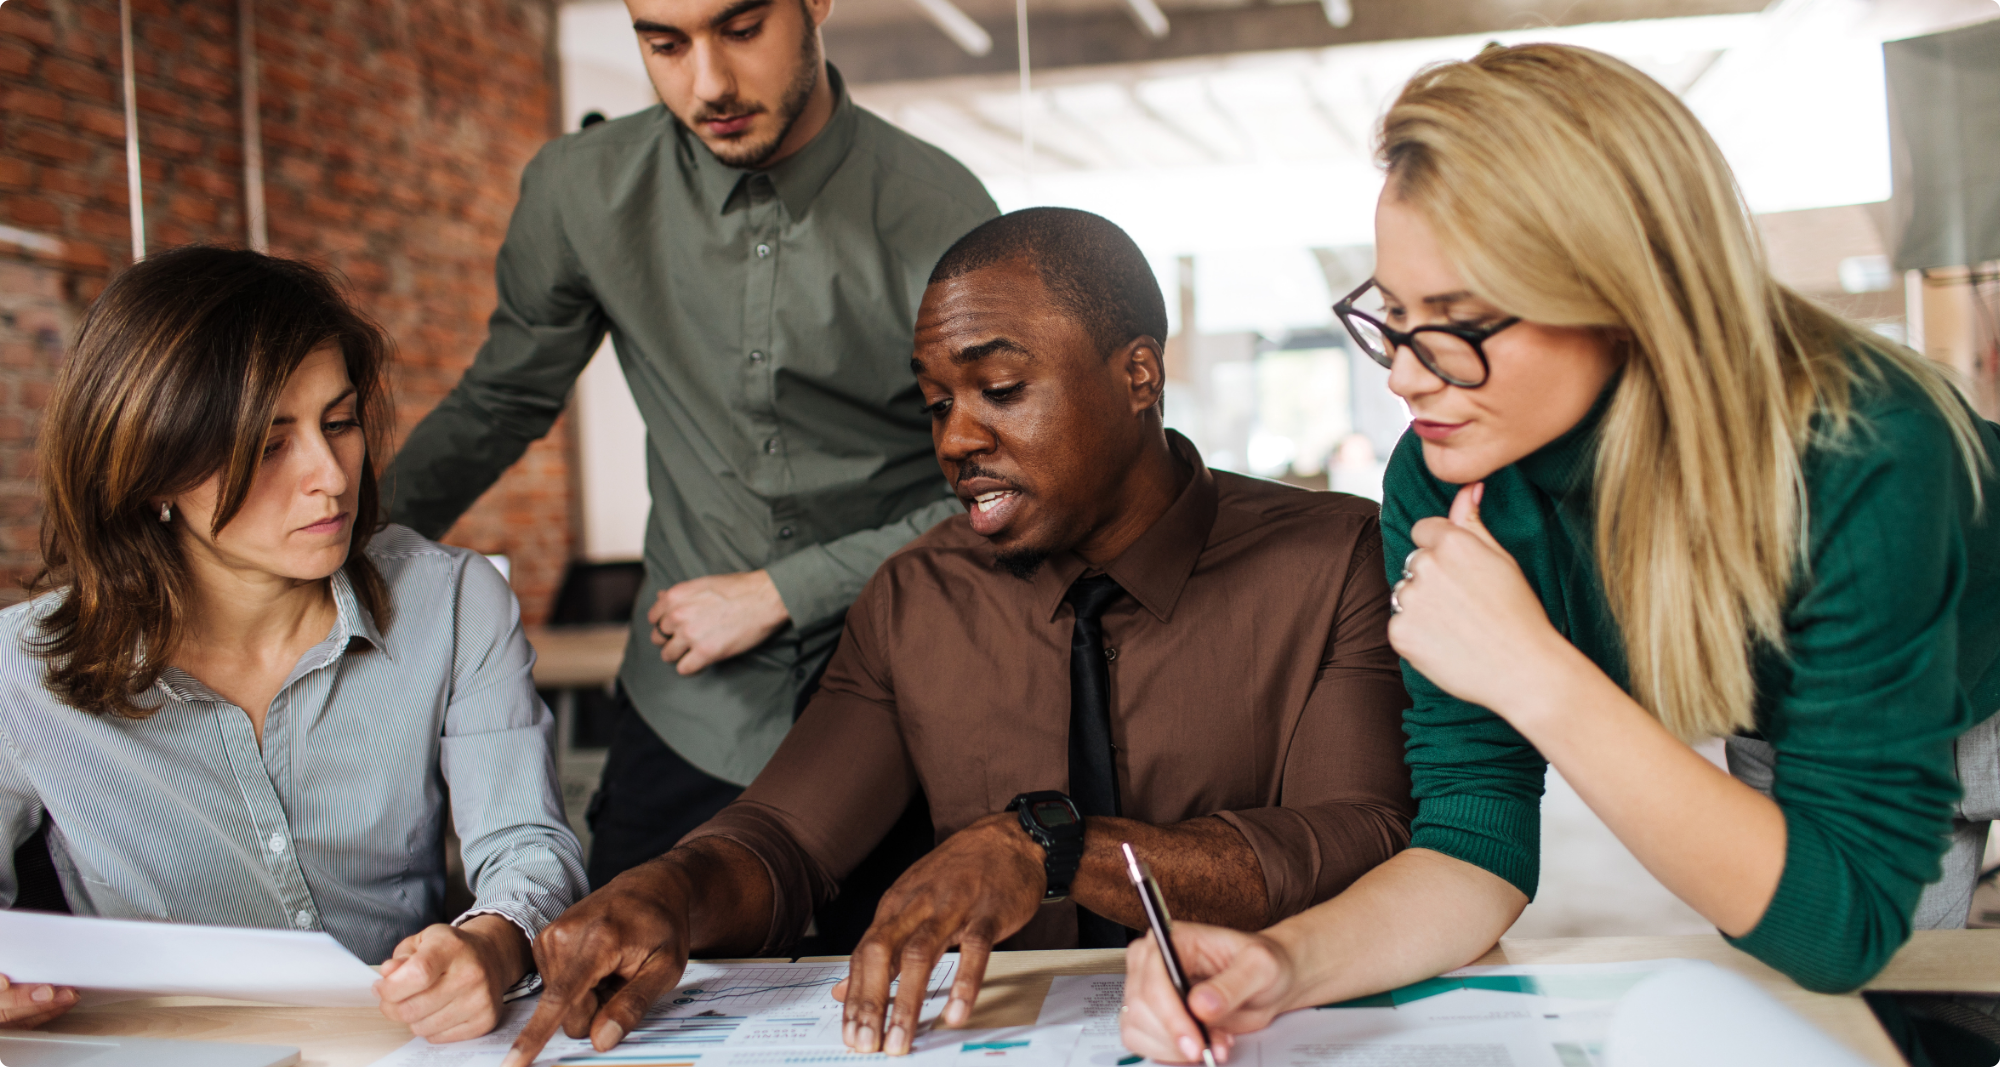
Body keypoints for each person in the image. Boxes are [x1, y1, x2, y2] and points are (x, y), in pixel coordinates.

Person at [1118, 42, 2000, 1063]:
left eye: (1450, 325)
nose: (1405, 376)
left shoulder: (1863, 447)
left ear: (1622, 295)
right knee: (1850, 1027)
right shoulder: (1445, 477)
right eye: (1392, 317)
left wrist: (1532, 668)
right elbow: (1472, 840)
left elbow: (1835, 913)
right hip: (1812, 717)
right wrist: (1285, 960)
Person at [495, 208, 1415, 1067]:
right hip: (993, 1043)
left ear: (1139, 375)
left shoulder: (1331, 555)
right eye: (937, 403)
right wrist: (673, 890)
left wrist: (1052, 846)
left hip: (1266, 1037)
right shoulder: (917, 595)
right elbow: (784, 838)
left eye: (1001, 389)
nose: (956, 438)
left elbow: (1362, 834)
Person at [380, 0, 1000, 893]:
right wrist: (334, 543)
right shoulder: (580, 192)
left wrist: (785, 591)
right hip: (692, 709)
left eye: (741, 30)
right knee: (620, 994)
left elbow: (1001, 485)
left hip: (913, 700)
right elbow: (500, 403)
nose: (706, 84)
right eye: (663, 43)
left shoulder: (943, 213)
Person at [0, 247, 588, 1042]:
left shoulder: (450, 599)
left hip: (397, 1051)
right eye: (272, 443)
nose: (332, 476)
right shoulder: (20, 667)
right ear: (152, 468)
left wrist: (489, 944)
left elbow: (526, 847)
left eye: (338, 422)